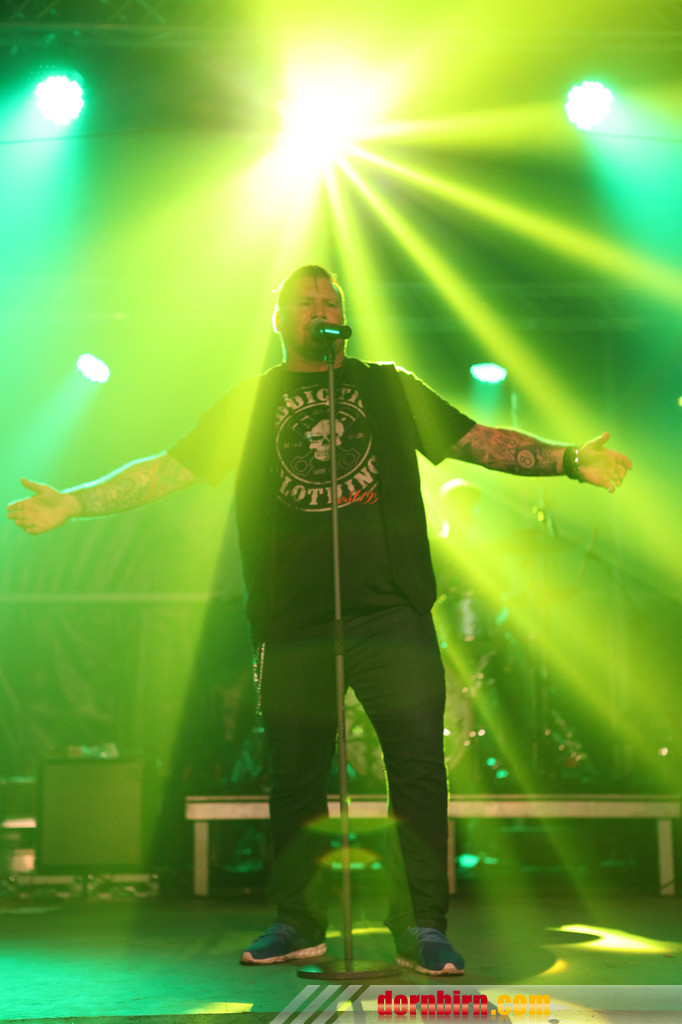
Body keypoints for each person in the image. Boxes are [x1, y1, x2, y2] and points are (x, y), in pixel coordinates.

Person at [7, 265, 632, 975]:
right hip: (293, 622)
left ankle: (421, 925)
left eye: (331, 299)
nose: (322, 307)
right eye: (306, 301)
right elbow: (166, 470)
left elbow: (477, 441)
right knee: (296, 779)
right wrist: (75, 503)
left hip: (390, 613)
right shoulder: (249, 403)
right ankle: (298, 923)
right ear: (279, 319)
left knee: (417, 770)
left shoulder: (388, 387)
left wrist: (567, 460)